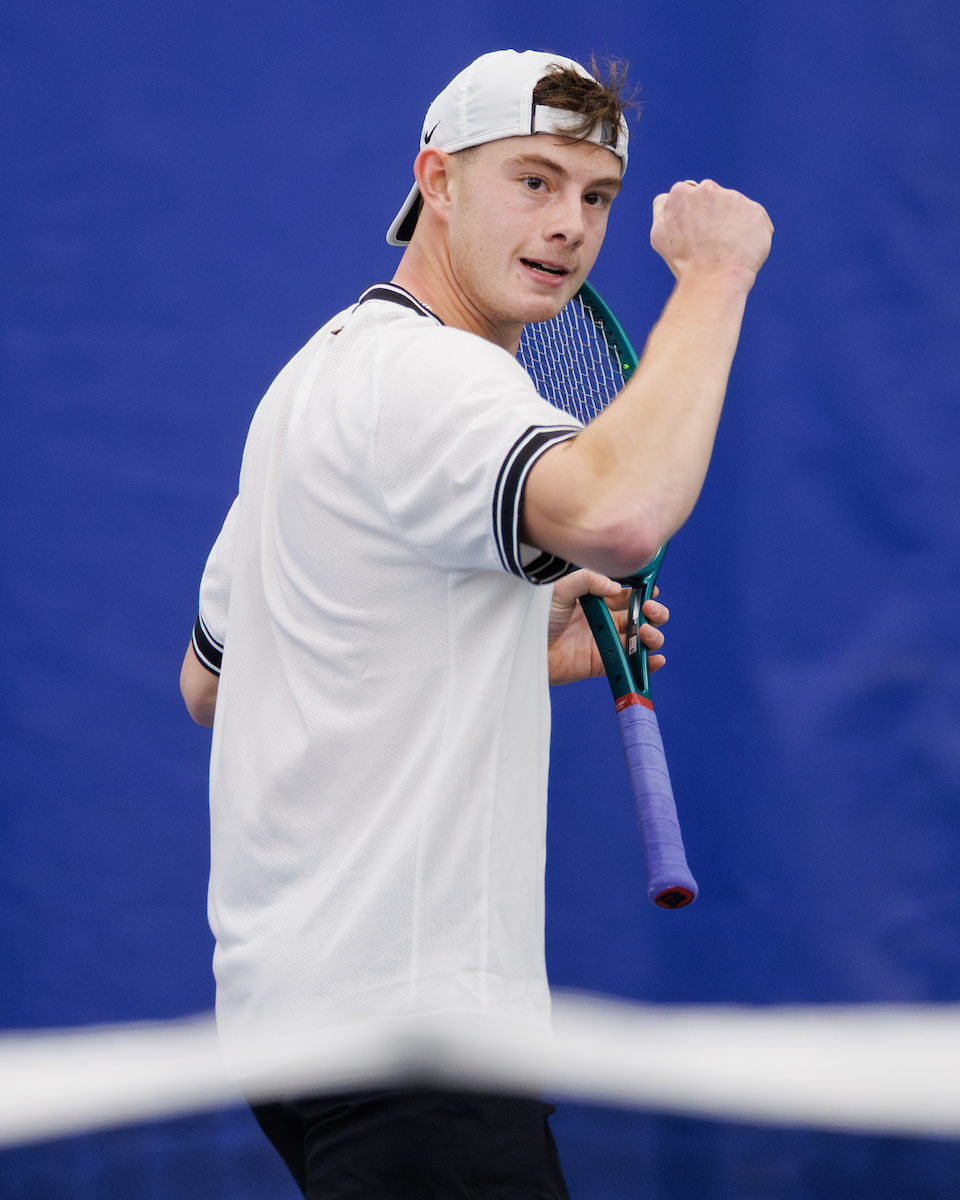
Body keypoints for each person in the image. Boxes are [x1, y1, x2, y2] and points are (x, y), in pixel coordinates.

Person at [180, 48, 771, 1200]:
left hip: (289, 1042)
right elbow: (619, 510)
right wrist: (715, 278)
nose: (570, 226)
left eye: (596, 196)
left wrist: (497, 639)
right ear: (437, 181)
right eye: (534, 180)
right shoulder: (436, 380)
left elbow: (214, 683)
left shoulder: (310, 383)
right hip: (420, 1049)